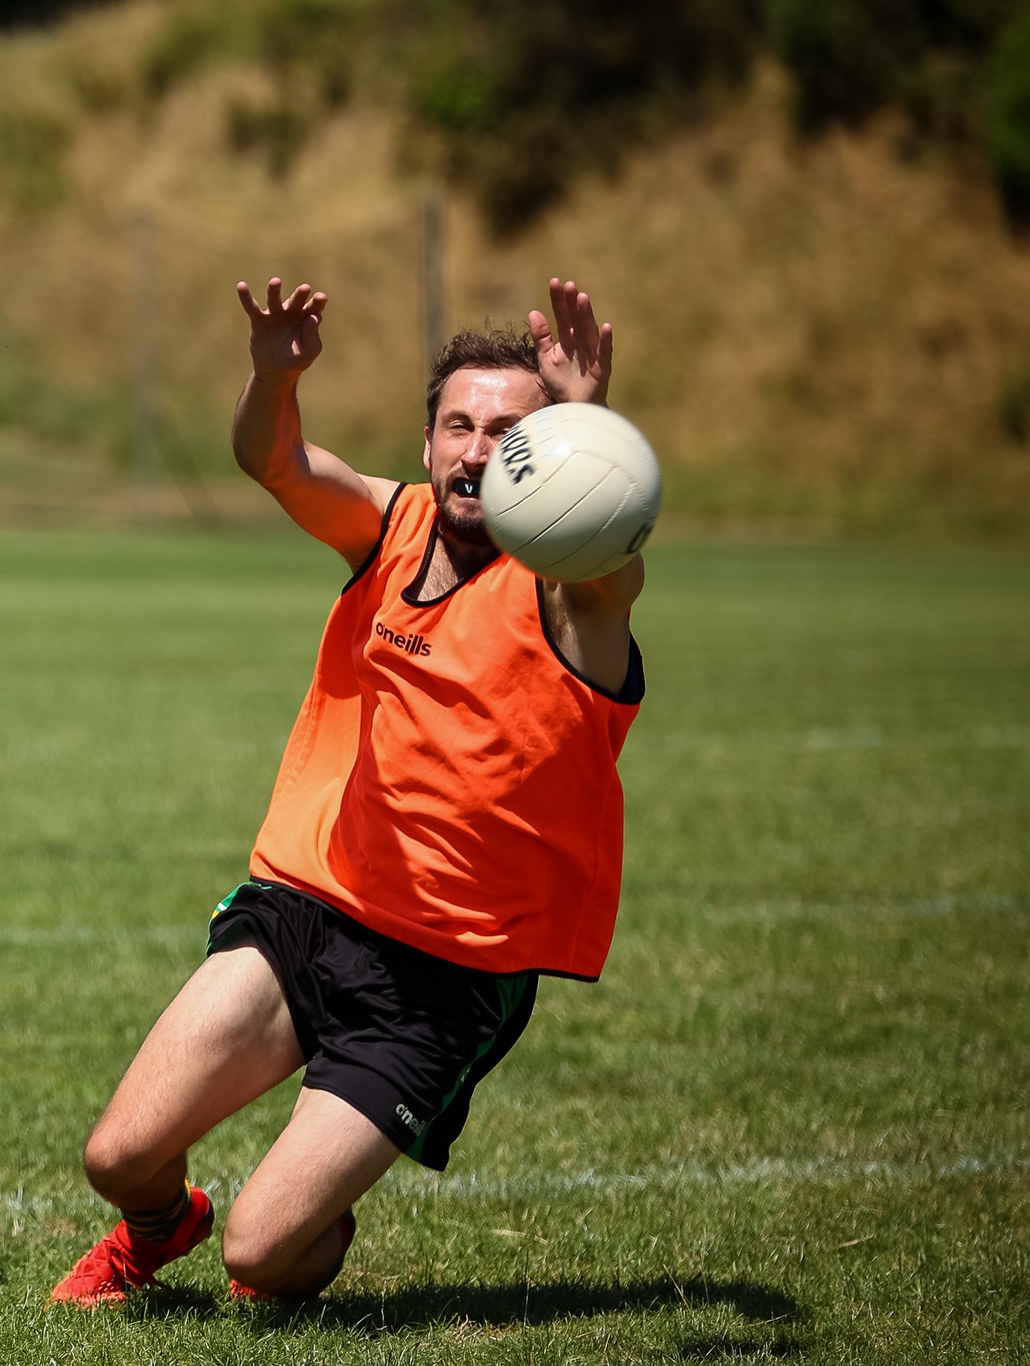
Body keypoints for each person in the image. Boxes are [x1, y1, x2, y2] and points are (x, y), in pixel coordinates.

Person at [49, 276, 644, 1307]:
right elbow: (272, 461)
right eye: (456, 424)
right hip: (309, 908)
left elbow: (604, 565)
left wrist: (584, 427)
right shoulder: (390, 524)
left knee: (261, 1256)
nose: (474, 448)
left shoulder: (569, 589)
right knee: (117, 1154)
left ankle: (285, 1234)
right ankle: (156, 1227)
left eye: (507, 431)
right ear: (425, 445)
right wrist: (272, 379)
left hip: (446, 972)